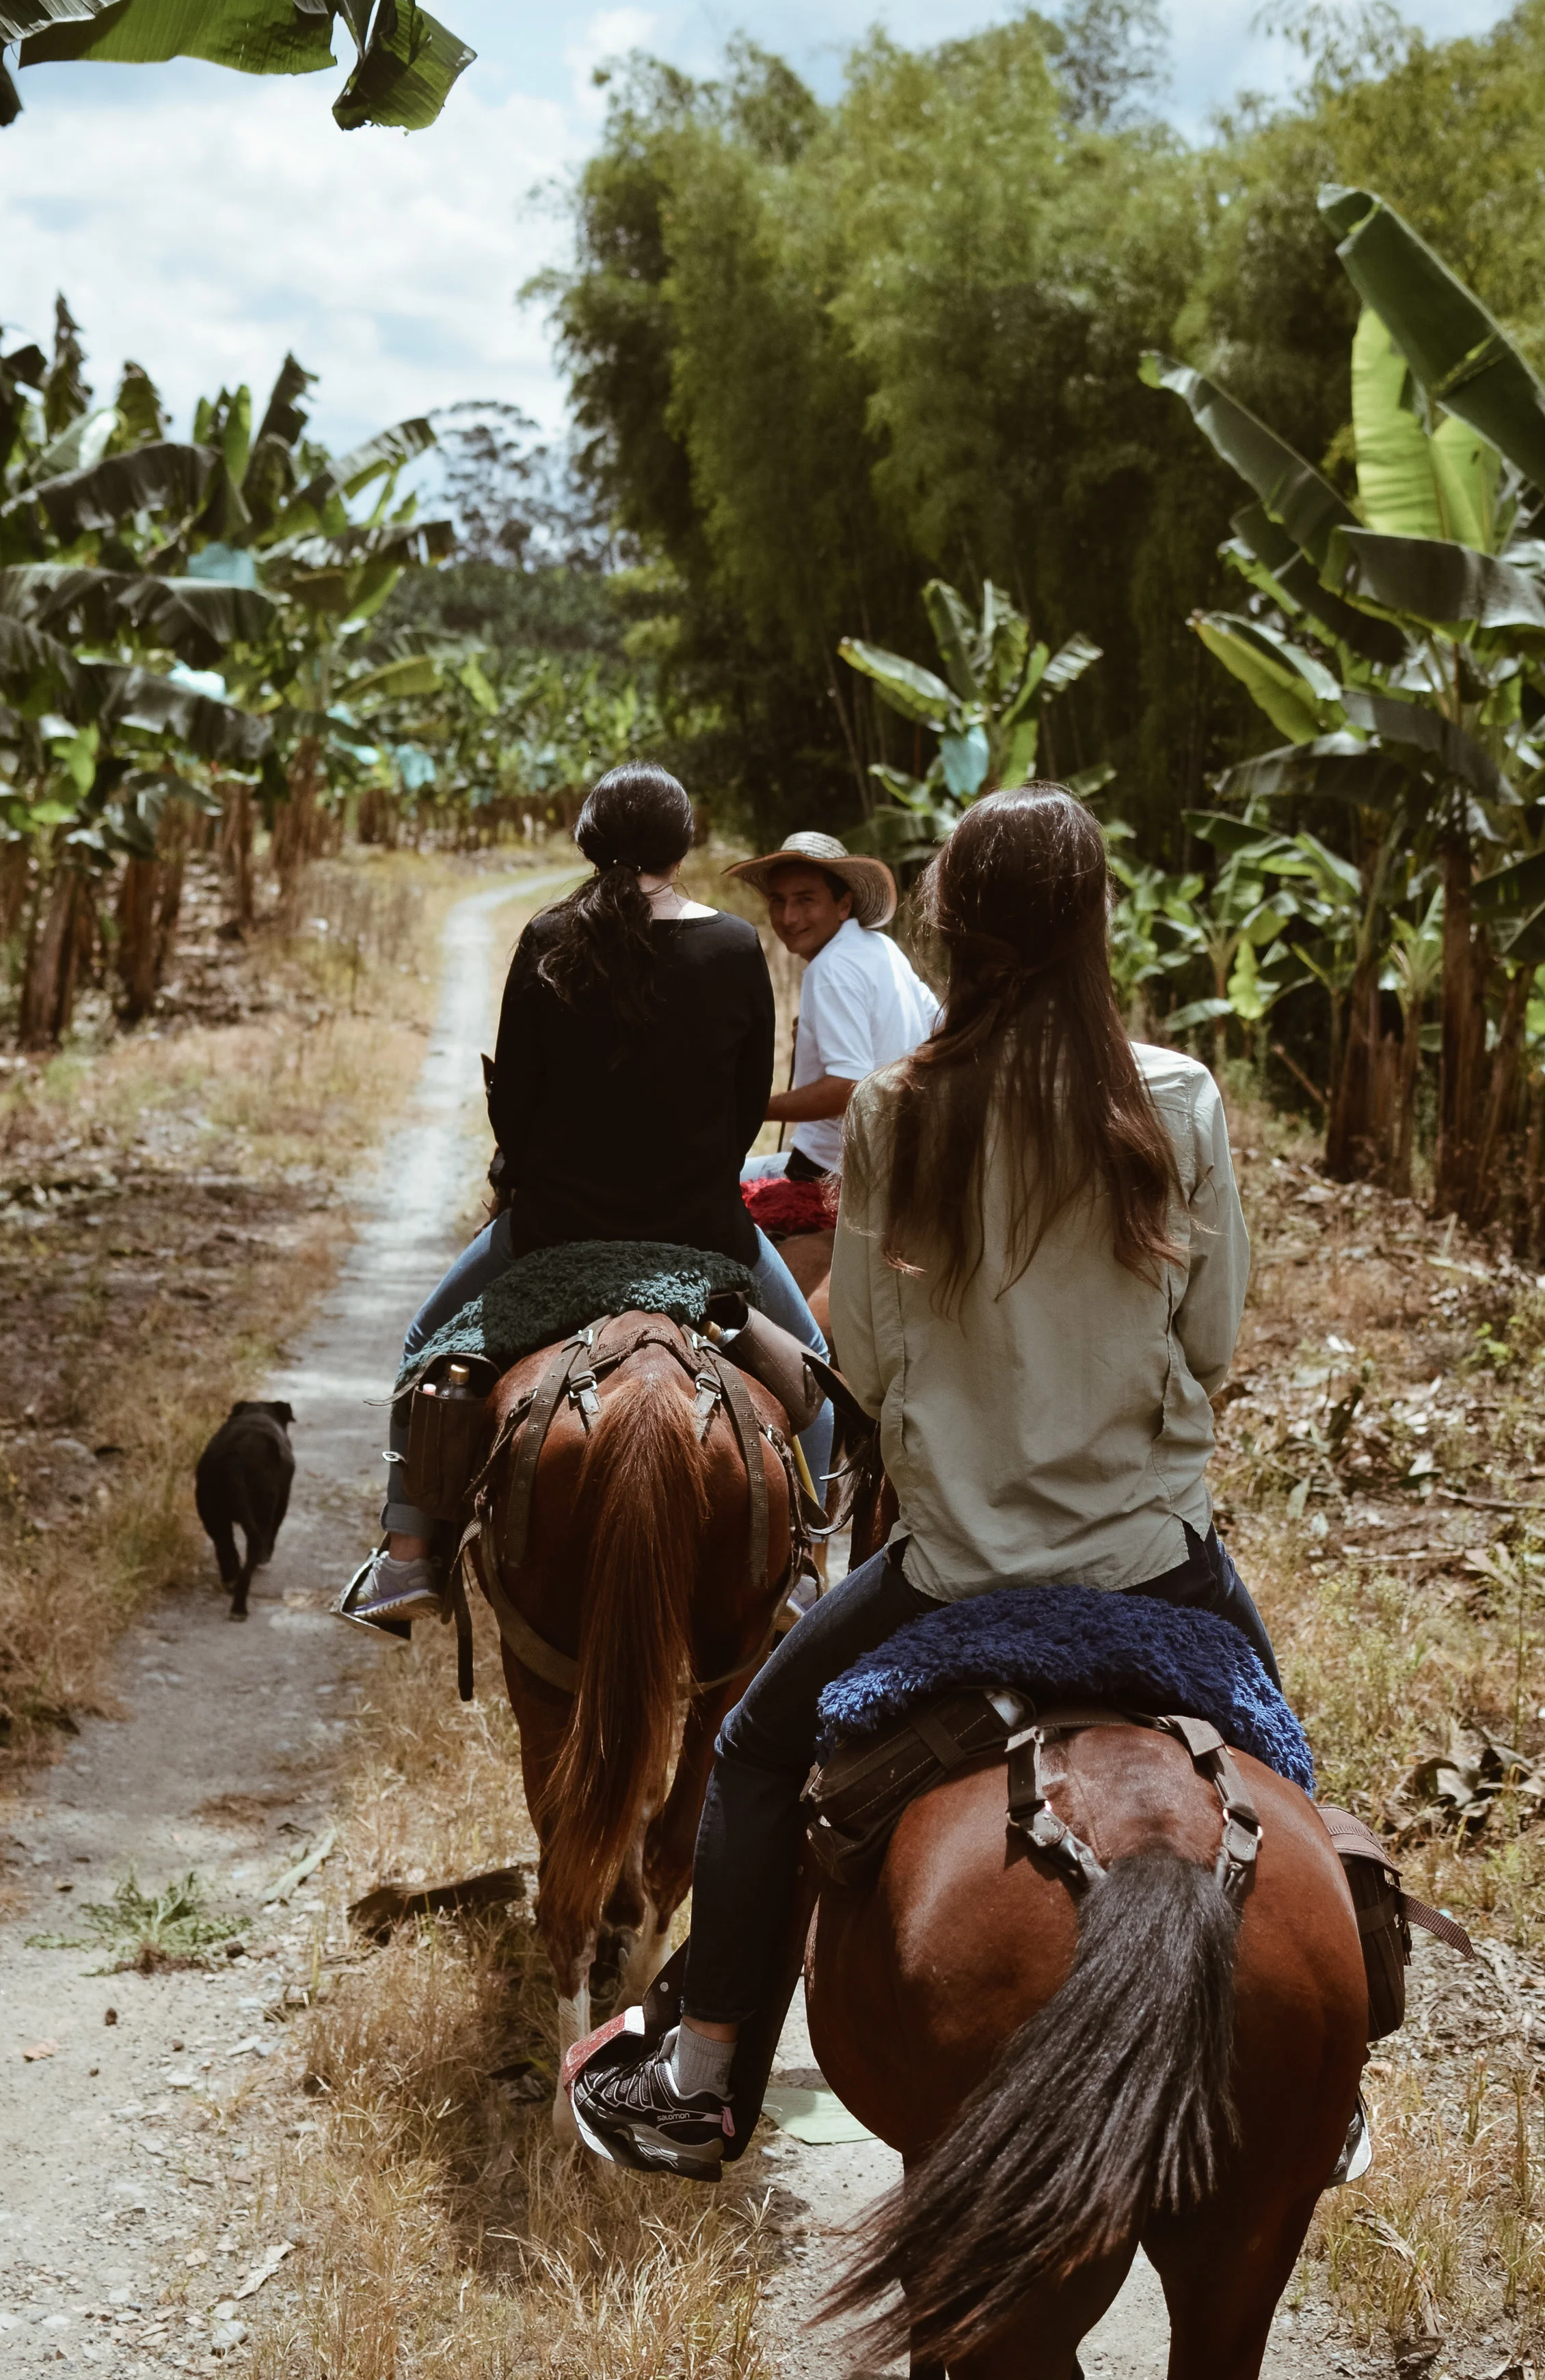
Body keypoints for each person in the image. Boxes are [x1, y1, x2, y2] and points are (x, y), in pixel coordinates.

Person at [569, 781, 1274, 2178]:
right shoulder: (1178, 1097)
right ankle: (1335, 2066)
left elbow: (870, 1374)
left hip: (950, 1572)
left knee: (754, 1752)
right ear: (1092, 923)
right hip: (1149, 1561)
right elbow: (1212, 1340)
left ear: (952, 927)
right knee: (1294, 1770)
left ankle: (703, 2069)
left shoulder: (897, 1109)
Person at [347, 763, 837, 1628]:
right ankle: (806, 1567)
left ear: (588, 843)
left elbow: (515, 1109)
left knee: (427, 1344)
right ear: (682, 848)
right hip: (701, 1233)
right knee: (816, 1387)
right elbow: (742, 1109)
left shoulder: (546, 938)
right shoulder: (733, 947)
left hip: (552, 1232)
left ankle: (410, 1555)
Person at [725, 830, 938, 1181]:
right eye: (778, 901)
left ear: (844, 905)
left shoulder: (829, 969)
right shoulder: (882, 948)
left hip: (833, 1169)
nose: (789, 918)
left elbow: (848, 1086)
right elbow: (936, 1027)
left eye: (805, 900)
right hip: (892, 1160)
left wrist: (749, 1107)